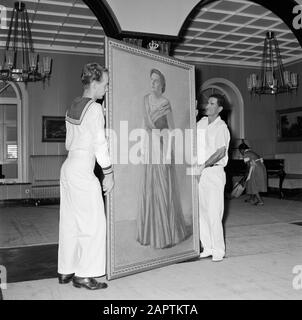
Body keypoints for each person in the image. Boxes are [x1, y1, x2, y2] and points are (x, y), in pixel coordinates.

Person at [58, 63, 114, 290]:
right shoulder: (94, 109)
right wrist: (108, 173)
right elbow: (99, 144)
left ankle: (66, 270)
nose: (107, 88)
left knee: (70, 221)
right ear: (94, 83)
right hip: (83, 169)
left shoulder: (73, 105)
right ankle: (85, 274)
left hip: (68, 166)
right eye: (105, 84)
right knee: (94, 223)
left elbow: (75, 138)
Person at [136, 68, 188, 249]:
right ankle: (150, 233)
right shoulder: (145, 100)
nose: (153, 83)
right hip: (150, 147)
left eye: (156, 80)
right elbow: (144, 125)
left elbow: (172, 129)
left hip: (162, 145)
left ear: (162, 84)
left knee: (163, 189)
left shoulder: (165, 102)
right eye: (151, 80)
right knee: (150, 188)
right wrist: (142, 148)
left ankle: (166, 233)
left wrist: (167, 154)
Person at [196, 93, 230, 262]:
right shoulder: (201, 123)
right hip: (200, 172)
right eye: (207, 103)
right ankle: (207, 247)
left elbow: (220, 152)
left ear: (219, 108)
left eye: (211, 103)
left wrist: (203, 165)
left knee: (214, 212)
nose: (207, 106)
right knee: (201, 211)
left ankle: (218, 250)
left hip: (214, 172)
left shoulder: (221, 127)